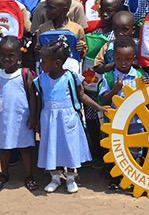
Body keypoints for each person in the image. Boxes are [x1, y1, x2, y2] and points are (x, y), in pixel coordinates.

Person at [36, 36, 106, 193]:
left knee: (69, 147)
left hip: (68, 119)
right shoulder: (41, 79)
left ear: (57, 63)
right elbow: (40, 99)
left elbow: (82, 96)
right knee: (52, 146)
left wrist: (98, 107)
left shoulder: (70, 77)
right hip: (49, 120)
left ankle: (70, 177)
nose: (41, 63)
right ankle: (55, 177)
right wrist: (36, 121)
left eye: (44, 61)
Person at [97, 36, 147, 191]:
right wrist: (115, 89)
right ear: (113, 58)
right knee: (117, 150)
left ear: (133, 58)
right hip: (116, 123)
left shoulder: (140, 75)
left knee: (135, 150)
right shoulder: (109, 76)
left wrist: (146, 87)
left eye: (127, 59)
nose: (123, 62)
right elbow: (103, 99)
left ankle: (134, 179)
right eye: (119, 59)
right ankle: (116, 178)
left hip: (136, 121)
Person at [0, 36, 37, 191]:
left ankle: (29, 175)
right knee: (4, 148)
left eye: (11, 55)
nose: (6, 59)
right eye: (3, 55)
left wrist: (33, 116)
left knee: (25, 149)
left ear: (19, 55)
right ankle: (4, 174)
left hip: (22, 119)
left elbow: (32, 96)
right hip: (4, 119)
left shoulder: (25, 74)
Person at [93, 11, 136, 75]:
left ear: (133, 30)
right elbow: (97, 68)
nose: (120, 33)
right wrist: (115, 64)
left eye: (125, 29)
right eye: (116, 29)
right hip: (112, 81)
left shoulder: (138, 46)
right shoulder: (108, 46)